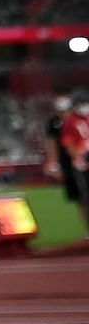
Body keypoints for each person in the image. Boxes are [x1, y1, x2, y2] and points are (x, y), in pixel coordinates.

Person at [62, 96, 89, 228]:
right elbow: (69, 144)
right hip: (82, 161)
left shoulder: (83, 120)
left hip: (83, 159)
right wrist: (77, 158)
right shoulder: (71, 122)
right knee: (85, 196)